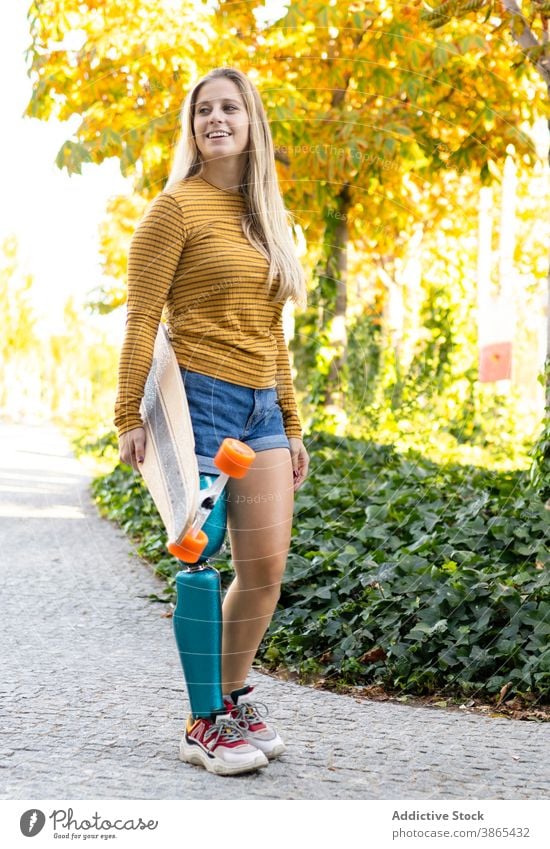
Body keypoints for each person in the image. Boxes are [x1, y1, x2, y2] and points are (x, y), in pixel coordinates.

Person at [114, 66, 309, 775]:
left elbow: (273, 329)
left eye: (229, 107)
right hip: (198, 402)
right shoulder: (175, 209)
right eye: (204, 110)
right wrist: (125, 414)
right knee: (198, 556)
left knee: (263, 570)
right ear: (192, 127)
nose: (215, 119)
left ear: (251, 123)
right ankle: (204, 723)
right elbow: (140, 319)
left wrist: (290, 420)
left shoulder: (264, 217)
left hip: (259, 406)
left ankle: (230, 695)